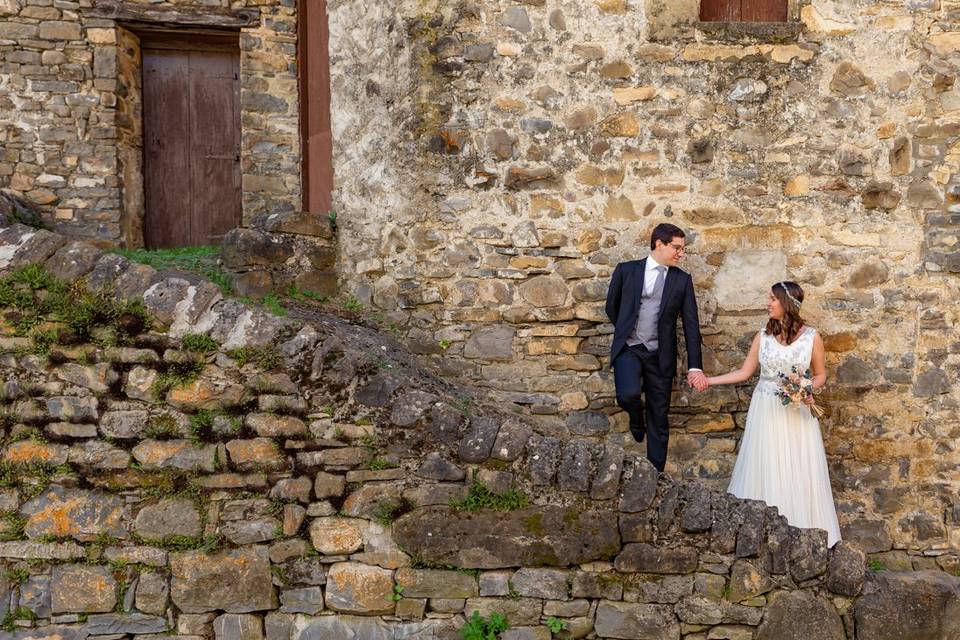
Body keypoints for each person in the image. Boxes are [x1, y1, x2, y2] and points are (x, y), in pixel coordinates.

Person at [703, 281, 841, 547]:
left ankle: (802, 534)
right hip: (766, 408)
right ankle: (761, 537)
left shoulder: (812, 337)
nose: (768, 302)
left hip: (796, 412)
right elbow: (745, 373)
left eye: (772, 299)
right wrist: (710, 380)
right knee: (765, 463)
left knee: (798, 466)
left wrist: (806, 386)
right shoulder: (762, 336)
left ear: (787, 303)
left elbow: (821, 374)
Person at [605, 223, 706, 472]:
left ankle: (655, 475)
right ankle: (635, 417)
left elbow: (691, 325)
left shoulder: (682, 280)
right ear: (659, 244)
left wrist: (695, 366)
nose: (681, 253)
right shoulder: (626, 270)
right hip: (629, 348)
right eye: (677, 248)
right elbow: (612, 306)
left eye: (683, 249)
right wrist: (627, 328)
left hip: (660, 354)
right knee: (627, 395)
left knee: (659, 418)